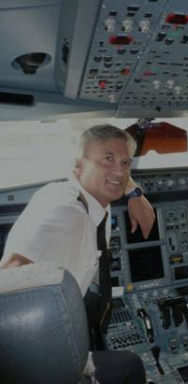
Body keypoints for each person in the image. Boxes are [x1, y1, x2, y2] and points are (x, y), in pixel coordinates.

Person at [0, 124, 154, 384]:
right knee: (131, 365)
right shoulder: (63, 209)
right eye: (108, 159)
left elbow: (117, 174)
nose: (120, 170)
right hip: (37, 355)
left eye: (126, 162)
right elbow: (9, 277)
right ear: (77, 166)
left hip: (66, 325)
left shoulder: (90, 204)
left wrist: (134, 193)